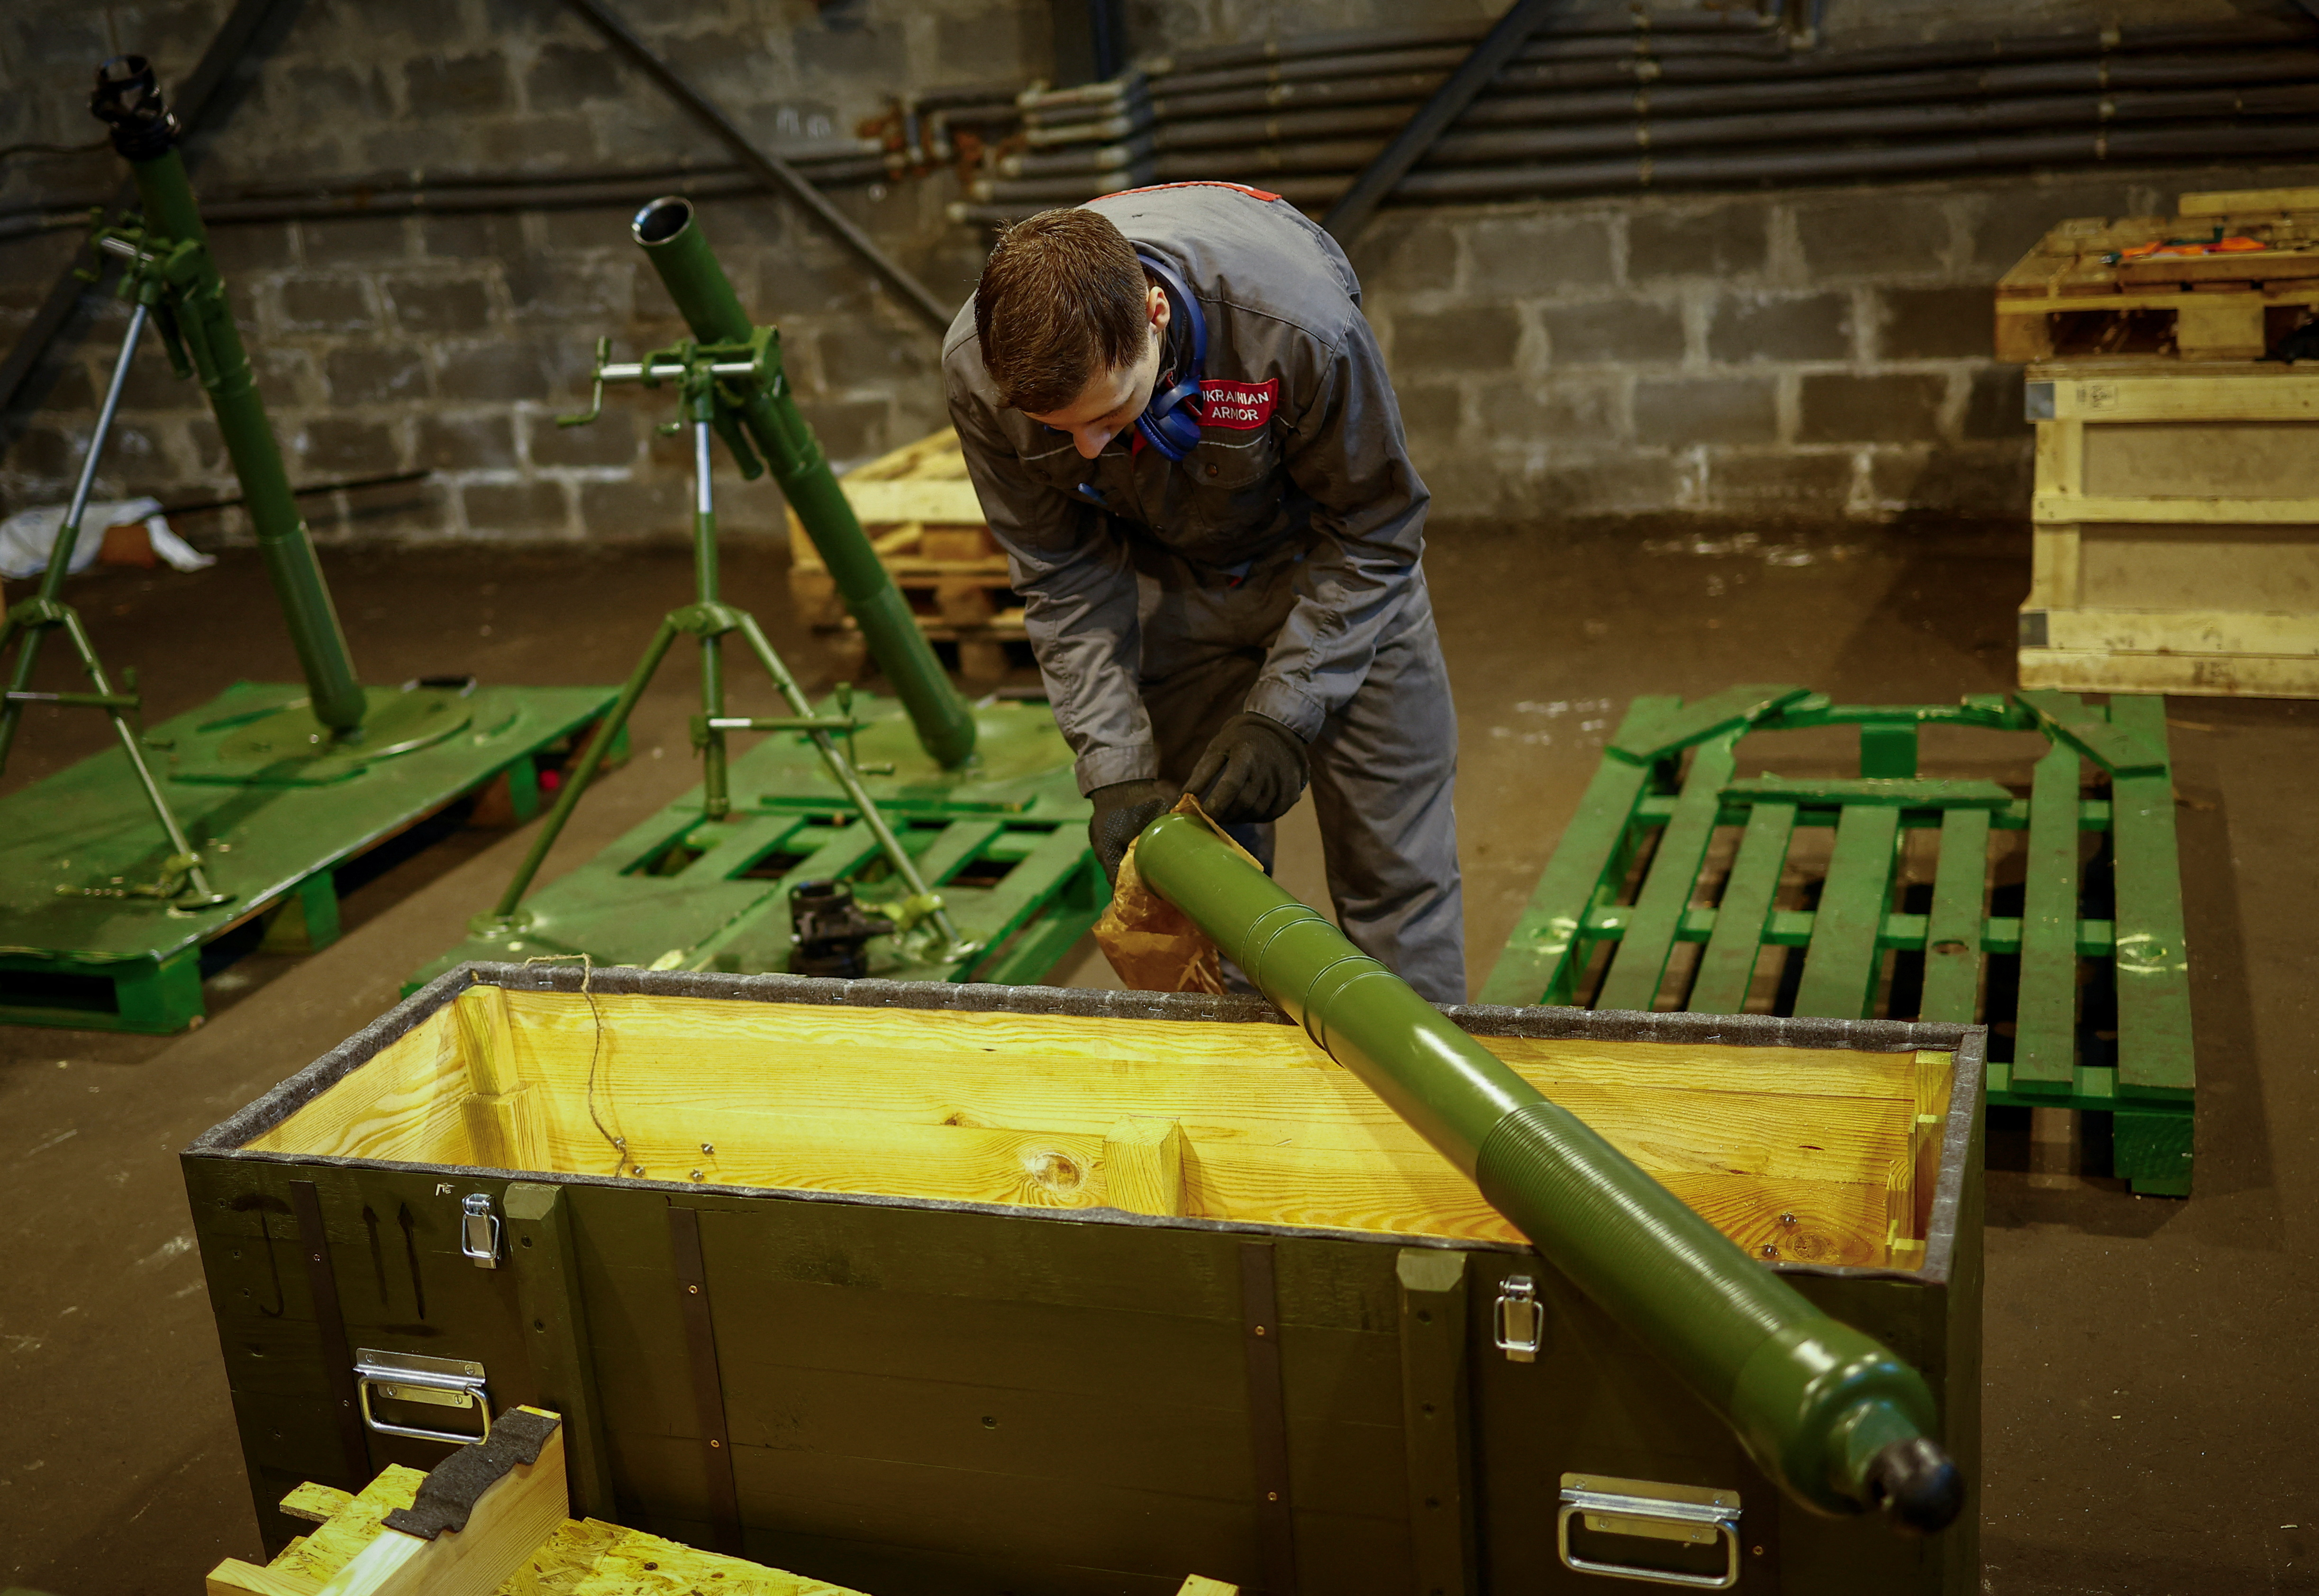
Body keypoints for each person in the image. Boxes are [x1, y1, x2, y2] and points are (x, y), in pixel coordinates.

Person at [942, 181, 1464, 1002]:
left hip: (1336, 577)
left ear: (1153, 313)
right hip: (1171, 591)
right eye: (1058, 429)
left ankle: (1428, 1102)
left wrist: (1284, 714)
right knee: (1204, 890)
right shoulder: (978, 369)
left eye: (1108, 415)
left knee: (1395, 874)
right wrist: (1113, 768)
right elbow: (1061, 572)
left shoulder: (1295, 330)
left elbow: (1373, 526)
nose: (1083, 451)